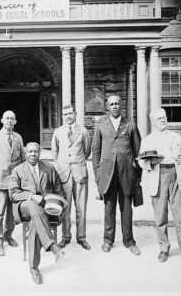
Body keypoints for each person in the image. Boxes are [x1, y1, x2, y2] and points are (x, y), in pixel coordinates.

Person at [92, 95, 141, 255]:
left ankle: (129, 241)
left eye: (117, 103)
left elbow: (137, 151)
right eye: (111, 104)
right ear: (107, 106)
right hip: (108, 173)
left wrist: (136, 175)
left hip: (127, 173)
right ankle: (108, 240)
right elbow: (96, 152)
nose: (114, 106)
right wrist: (98, 174)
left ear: (121, 106)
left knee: (127, 208)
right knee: (109, 207)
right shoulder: (101, 125)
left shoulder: (130, 124)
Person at [9, 142, 65, 285]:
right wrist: (32, 196)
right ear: (25, 153)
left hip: (46, 209)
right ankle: (52, 245)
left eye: (36, 151)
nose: (33, 154)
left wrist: (56, 203)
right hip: (24, 207)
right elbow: (13, 194)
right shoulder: (18, 170)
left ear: (40, 153)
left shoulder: (49, 168)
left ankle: (34, 268)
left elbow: (59, 190)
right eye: (30, 151)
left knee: (35, 223)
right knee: (34, 206)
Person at [138, 108, 181, 262]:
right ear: (153, 122)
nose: (163, 120)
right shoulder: (147, 140)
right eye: (159, 119)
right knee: (160, 216)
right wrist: (151, 162)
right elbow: (141, 162)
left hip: (176, 176)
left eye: (164, 117)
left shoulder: (176, 137)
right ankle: (164, 247)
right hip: (158, 177)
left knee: (179, 215)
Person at [0, 110, 25, 256]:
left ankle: (8, 235)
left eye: (12, 119)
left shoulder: (18, 137)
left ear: (15, 122)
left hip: (14, 182)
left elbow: (23, 159)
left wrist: (23, 179)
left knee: (11, 213)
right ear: (2, 120)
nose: (9, 121)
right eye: (7, 118)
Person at [51, 105, 91, 249]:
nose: (68, 116)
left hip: (79, 173)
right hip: (64, 175)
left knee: (81, 208)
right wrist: (62, 166)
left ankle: (81, 237)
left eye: (70, 113)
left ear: (75, 113)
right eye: (65, 114)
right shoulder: (58, 132)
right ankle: (65, 237)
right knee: (65, 208)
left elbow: (87, 151)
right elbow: (54, 153)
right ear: (62, 116)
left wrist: (76, 163)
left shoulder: (84, 131)